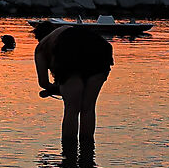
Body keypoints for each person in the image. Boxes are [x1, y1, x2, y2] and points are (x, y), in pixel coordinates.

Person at [34, 21, 114, 152]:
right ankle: (87, 152)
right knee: (88, 108)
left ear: (38, 37)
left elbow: (43, 83)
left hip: (68, 48)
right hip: (100, 48)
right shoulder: (67, 30)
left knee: (72, 109)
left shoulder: (42, 46)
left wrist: (57, 89)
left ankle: (68, 154)